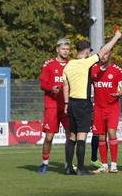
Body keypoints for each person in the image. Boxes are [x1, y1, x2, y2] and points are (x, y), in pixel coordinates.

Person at [62, 29, 122, 175]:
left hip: (71, 104)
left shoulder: (68, 65)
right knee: (81, 137)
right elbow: (105, 50)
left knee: (72, 137)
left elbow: (65, 85)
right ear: (87, 51)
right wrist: (116, 37)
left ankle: (69, 167)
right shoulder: (85, 63)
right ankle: (81, 169)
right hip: (83, 104)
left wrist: (66, 103)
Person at [38, 38, 71, 173]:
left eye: (68, 49)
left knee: (70, 136)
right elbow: (42, 84)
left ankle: (68, 164)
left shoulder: (72, 65)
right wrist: (52, 88)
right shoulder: (49, 64)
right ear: (57, 49)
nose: (66, 51)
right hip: (52, 105)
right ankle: (45, 163)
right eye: (63, 49)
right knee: (49, 137)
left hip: (67, 106)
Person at [90, 49, 122, 173]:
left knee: (111, 133)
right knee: (101, 136)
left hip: (112, 108)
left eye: (106, 54)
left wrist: (120, 93)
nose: (103, 56)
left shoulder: (117, 70)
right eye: (102, 53)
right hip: (98, 107)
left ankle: (114, 164)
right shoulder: (93, 69)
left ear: (110, 55)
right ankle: (104, 165)